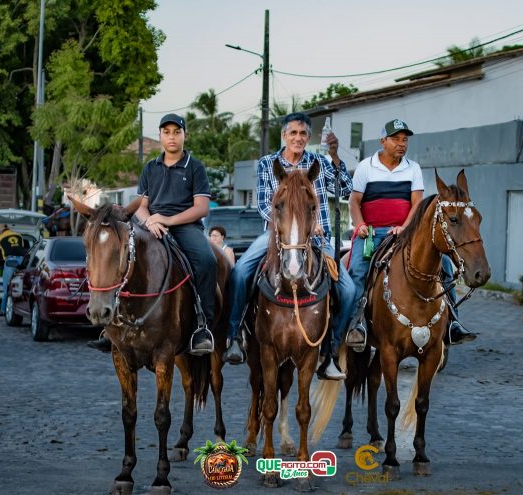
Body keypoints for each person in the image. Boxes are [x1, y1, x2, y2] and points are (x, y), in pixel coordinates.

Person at [222, 112, 356, 380]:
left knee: (349, 290)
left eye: (303, 133)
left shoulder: (319, 162)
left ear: (308, 137)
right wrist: (291, 227)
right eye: (293, 133)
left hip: (317, 238)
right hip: (276, 236)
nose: (298, 138)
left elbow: (344, 191)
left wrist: (336, 157)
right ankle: (234, 335)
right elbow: (263, 204)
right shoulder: (268, 164)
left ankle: (329, 352)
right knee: (239, 273)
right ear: (284, 135)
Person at [88, 113, 216, 356]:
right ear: (160, 136)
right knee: (123, 259)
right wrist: (149, 221)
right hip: (151, 225)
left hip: (185, 225)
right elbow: (142, 204)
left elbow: (201, 208)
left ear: (184, 135)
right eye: (166, 132)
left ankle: (203, 327)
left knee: (207, 261)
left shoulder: (195, 166)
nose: (172, 137)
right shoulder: (150, 167)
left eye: (176, 132)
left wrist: (167, 219)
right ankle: (111, 327)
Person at [345, 119, 476, 350]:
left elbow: (416, 203)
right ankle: (357, 325)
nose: (401, 144)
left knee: (444, 264)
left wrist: (405, 227)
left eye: (405, 140)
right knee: (357, 271)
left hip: (405, 232)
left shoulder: (412, 168)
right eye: (396, 139)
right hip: (372, 232)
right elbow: (354, 201)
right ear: (383, 141)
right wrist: (359, 224)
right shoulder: (366, 166)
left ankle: (453, 322)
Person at [0, 224, 27, 316]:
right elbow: (19, 247)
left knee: (7, 286)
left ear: (1, 231)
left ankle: (3, 310)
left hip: (11, 261)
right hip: (22, 260)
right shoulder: (19, 235)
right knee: (22, 285)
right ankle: (22, 308)